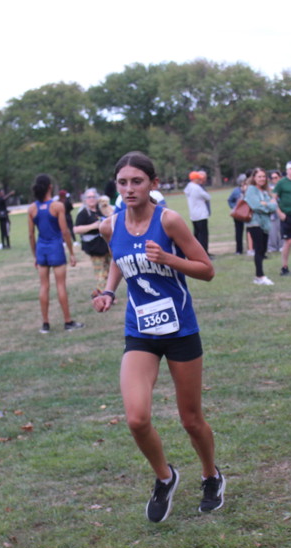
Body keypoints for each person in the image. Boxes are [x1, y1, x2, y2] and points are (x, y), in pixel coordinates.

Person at [92, 151, 221, 523]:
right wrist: (109, 291)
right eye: (123, 182)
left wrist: (169, 259)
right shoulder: (109, 226)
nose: (129, 189)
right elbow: (119, 259)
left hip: (180, 330)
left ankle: (210, 475)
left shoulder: (169, 221)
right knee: (136, 418)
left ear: (153, 183)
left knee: (191, 419)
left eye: (137, 181)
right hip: (141, 331)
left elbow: (207, 270)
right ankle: (165, 477)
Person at [27, 174, 83, 333]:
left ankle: (45, 324)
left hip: (41, 250)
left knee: (44, 286)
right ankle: (68, 321)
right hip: (55, 249)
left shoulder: (32, 209)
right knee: (61, 285)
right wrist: (71, 253)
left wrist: (35, 255)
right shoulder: (57, 206)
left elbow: (31, 235)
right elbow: (65, 231)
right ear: (50, 187)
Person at [73, 188, 112, 296]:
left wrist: (106, 207)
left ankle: (102, 292)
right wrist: (93, 226)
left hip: (105, 244)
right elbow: (76, 229)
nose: (91, 199)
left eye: (94, 197)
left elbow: (112, 217)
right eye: (89, 197)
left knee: (109, 270)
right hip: (94, 247)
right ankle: (103, 294)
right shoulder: (83, 213)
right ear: (85, 199)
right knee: (100, 272)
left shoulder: (101, 210)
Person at [243, 167, 277, 285]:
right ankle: (260, 276)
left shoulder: (265, 190)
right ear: (254, 178)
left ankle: (259, 275)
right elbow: (255, 206)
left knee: (263, 250)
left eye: (263, 176)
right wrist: (267, 206)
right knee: (258, 249)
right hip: (255, 223)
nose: (262, 179)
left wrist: (266, 204)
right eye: (259, 176)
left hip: (265, 224)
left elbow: (274, 206)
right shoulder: (251, 189)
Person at [183, 171, 212, 257]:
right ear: (194, 179)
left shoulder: (188, 188)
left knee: (197, 235)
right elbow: (208, 197)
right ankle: (204, 253)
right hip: (201, 214)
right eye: (198, 178)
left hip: (193, 214)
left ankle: (197, 253)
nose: (200, 180)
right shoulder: (196, 188)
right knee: (203, 235)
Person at [227, 173, 248, 255]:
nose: (244, 183)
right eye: (243, 181)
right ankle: (239, 250)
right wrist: (234, 207)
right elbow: (230, 200)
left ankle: (251, 248)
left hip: (248, 213)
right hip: (238, 214)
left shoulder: (250, 190)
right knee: (239, 232)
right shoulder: (236, 191)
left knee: (250, 231)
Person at [266, 169, 284, 255]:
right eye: (272, 178)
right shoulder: (269, 188)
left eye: (276, 177)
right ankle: (272, 246)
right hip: (272, 212)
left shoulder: (283, 186)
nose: (274, 180)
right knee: (272, 230)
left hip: (283, 210)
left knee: (282, 229)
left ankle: (282, 245)